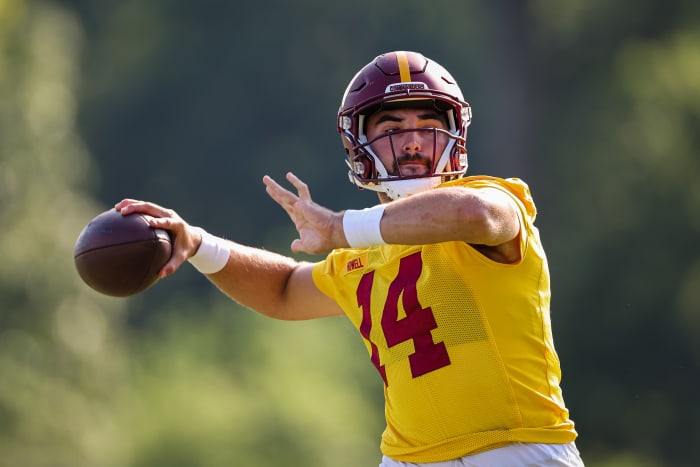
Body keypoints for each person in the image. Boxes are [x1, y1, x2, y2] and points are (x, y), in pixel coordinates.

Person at [116, 51, 584, 466]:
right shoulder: (360, 255)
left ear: (454, 133)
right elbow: (282, 291)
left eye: (428, 124)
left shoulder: (495, 200)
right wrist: (199, 243)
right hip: (406, 459)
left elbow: (472, 214)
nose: (414, 142)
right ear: (358, 144)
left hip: (518, 449)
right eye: (392, 128)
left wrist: (340, 228)